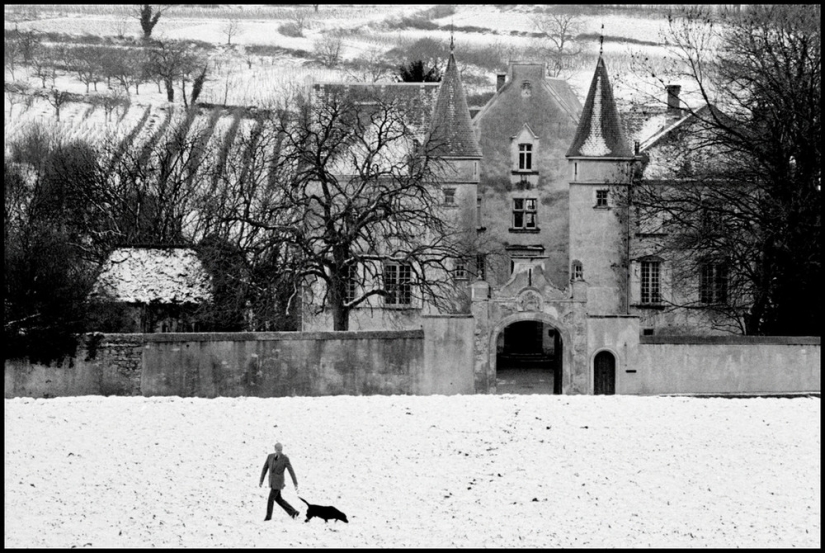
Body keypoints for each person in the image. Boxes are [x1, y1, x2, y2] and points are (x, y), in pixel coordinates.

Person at [259, 442, 300, 521]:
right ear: (275, 449)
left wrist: (295, 483)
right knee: (278, 499)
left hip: (278, 483)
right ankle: (293, 512)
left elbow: (291, 471)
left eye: (281, 450)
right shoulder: (270, 457)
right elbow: (264, 469)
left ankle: (268, 517)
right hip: (272, 481)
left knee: (271, 499)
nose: (279, 452)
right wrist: (261, 480)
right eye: (278, 450)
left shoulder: (285, 459)